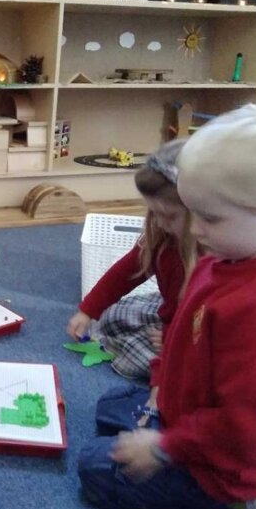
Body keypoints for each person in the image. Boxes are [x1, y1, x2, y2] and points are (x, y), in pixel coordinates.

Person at [78, 104, 256, 509]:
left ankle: (230, 504)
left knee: (92, 464)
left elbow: (245, 428)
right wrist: (160, 386)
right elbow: (179, 333)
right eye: (191, 213)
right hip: (185, 416)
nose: (194, 230)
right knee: (110, 406)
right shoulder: (219, 260)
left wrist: (164, 447)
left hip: (215, 470)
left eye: (209, 218)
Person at [67, 139, 196, 381]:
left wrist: (174, 338)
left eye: (169, 216)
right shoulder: (162, 238)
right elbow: (123, 275)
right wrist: (88, 310)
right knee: (111, 316)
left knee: (133, 362)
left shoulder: (210, 259)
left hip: (195, 333)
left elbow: (208, 323)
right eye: (153, 213)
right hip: (168, 310)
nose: (159, 223)